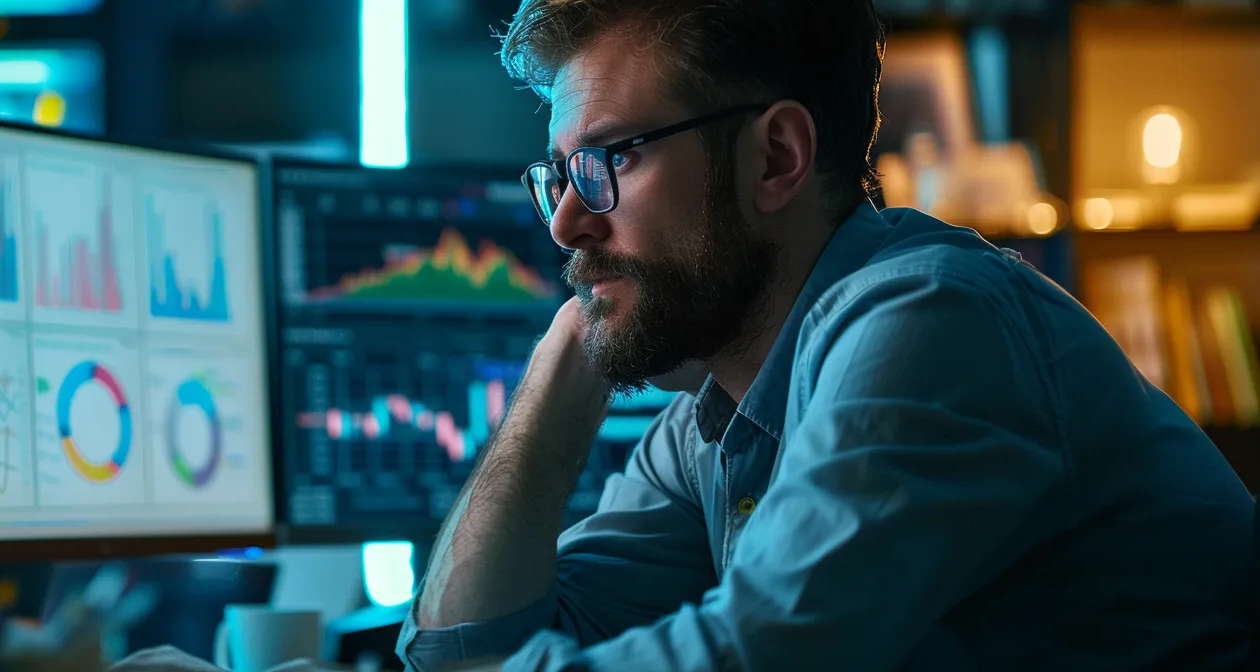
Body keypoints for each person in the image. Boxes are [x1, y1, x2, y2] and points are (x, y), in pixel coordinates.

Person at [395, 0, 1257, 671]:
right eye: (561, 174)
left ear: (776, 159)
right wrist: (552, 396)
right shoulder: (716, 418)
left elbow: (761, 656)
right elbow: (459, 646)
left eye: (614, 157)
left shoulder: (932, 323)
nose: (567, 222)